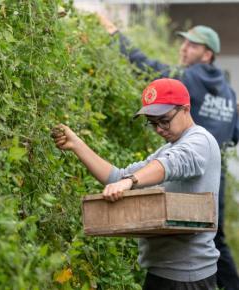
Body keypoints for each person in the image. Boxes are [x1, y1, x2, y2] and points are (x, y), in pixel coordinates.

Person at [97, 15, 239, 290]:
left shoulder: (188, 79)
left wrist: (115, 36)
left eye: (192, 45)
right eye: (183, 43)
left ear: (207, 54)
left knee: (193, 242)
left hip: (187, 171)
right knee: (212, 237)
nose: (183, 49)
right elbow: (234, 134)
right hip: (212, 175)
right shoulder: (229, 93)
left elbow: (148, 68)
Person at [52, 78, 221, 290]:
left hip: (188, 277)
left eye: (164, 120)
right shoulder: (167, 149)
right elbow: (118, 177)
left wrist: (130, 182)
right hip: (161, 271)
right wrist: (77, 145)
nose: (159, 129)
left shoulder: (200, 141)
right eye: (152, 122)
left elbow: (171, 164)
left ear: (185, 109)